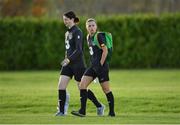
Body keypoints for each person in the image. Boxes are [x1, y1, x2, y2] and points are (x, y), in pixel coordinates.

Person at [55, 11, 105, 116]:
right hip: (68, 65)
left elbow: (79, 50)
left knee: (82, 88)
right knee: (61, 86)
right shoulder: (67, 33)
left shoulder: (78, 32)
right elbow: (68, 49)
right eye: (64, 19)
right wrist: (66, 59)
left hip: (78, 64)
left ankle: (99, 105)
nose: (64, 21)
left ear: (72, 19)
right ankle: (61, 112)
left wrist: (69, 59)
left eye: (66, 19)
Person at [71, 18, 115, 117]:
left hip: (102, 67)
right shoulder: (88, 37)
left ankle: (112, 112)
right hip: (93, 66)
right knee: (82, 85)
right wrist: (93, 66)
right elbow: (93, 54)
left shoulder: (98, 36)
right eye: (89, 26)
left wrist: (100, 65)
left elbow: (105, 51)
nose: (91, 28)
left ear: (96, 26)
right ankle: (82, 111)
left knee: (106, 90)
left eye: (93, 25)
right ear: (86, 28)